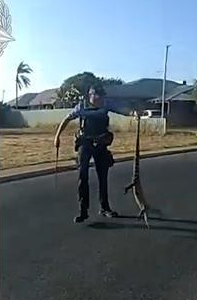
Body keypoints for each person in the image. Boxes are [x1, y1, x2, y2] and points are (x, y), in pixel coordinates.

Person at [54, 86, 139, 223]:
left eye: (102, 97)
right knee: (83, 175)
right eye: (97, 97)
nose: (100, 100)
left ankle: (104, 207)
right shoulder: (81, 107)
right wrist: (57, 137)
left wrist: (133, 113)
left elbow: (122, 110)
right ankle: (83, 210)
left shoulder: (106, 105)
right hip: (85, 143)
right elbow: (67, 119)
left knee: (103, 176)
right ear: (90, 96)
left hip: (101, 143)